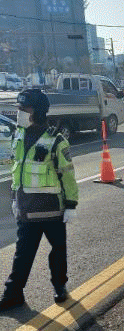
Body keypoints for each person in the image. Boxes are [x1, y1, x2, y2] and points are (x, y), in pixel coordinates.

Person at [0, 89, 78, 311]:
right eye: (19, 108)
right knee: (22, 254)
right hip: (26, 209)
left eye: (24, 108)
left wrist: (71, 205)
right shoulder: (19, 135)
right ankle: (13, 293)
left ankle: (60, 286)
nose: (19, 112)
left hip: (52, 210)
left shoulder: (56, 140)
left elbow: (68, 175)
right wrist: (15, 198)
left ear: (39, 111)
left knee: (58, 251)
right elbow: (17, 170)